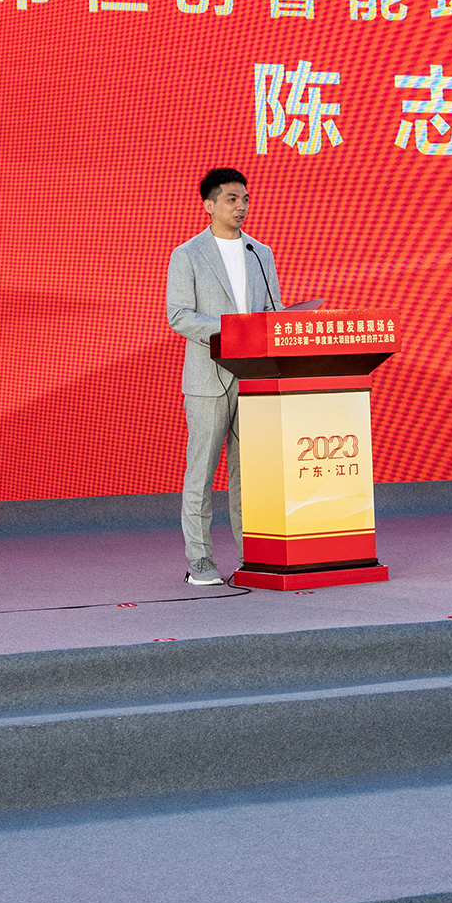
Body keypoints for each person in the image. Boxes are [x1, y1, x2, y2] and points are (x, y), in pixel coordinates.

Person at [165, 167, 283, 589]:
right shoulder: (188, 254)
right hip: (208, 378)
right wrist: (230, 331)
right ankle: (199, 559)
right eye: (232, 199)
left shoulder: (259, 252)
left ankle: (252, 555)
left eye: (245, 199)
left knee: (248, 474)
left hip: (253, 380)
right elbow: (179, 315)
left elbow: (272, 312)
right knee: (201, 472)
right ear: (209, 205)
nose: (241, 206)